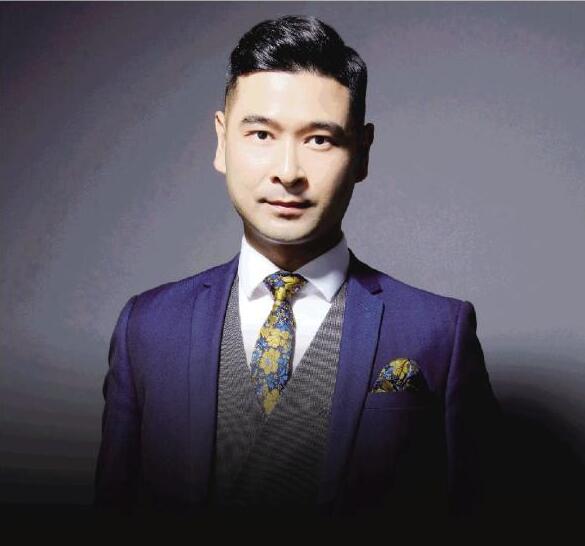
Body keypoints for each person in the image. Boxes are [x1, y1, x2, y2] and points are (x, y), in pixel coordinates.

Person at [93, 14, 503, 527]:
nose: (287, 172)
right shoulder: (147, 327)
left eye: (320, 140)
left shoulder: (439, 332)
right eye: (261, 133)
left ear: (362, 154)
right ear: (222, 141)